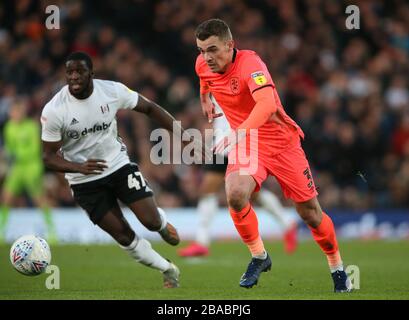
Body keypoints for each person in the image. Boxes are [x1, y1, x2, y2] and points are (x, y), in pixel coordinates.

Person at [194, 19, 352, 292]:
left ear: (230, 45)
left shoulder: (251, 65)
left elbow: (266, 104)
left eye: (213, 49)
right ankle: (259, 256)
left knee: (311, 214)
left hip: (281, 143)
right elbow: (205, 81)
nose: (207, 57)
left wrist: (240, 131)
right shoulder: (203, 65)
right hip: (249, 143)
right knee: (235, 194)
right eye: (201, 50)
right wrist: (205, 99)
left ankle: (338, 268)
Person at [40, 51, 189, 288]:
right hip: (82, 181)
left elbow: (150, 108)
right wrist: (78, 167)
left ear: (91, 73)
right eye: (69, 72)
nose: (74, 77)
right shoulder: (54, 110)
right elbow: (47, 158)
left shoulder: (111, 91)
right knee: (123, 235)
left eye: (79, 71)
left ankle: (160, 223)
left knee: (149, 222)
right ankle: (168, 269)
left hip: (118, 166)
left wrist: (183, 134)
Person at [178, 98, 298, 257]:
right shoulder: (212, 81)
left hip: (242, 141)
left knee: (252, 193)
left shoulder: (237, 80)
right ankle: (201, 242)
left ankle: (287, 223)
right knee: (208, 190)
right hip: (222, 143)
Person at [0, 98, 57, 244]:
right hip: (17, 168)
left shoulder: (31, 126)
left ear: (22, 112)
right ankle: (1, 232)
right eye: (13, 112)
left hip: (32, 167)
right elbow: (9, 148)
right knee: (6, 198)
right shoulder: (8, 128)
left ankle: (52, 232)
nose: (15, 114)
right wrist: (7, 154)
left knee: (40, 200)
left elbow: (34, 150)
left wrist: (15, 154)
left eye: (18, 111)